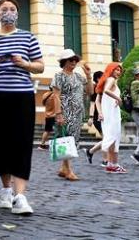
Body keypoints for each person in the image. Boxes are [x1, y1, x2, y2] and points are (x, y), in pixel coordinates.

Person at [0, 0, 44, 215]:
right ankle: (6, 190)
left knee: (21, 144)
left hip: (22, 97)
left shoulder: (28, 37)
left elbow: (40, 66)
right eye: (4, 9)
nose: (8, 12)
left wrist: (25, 64)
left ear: (17, 14)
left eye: (13, 9)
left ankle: (20, 196)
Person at [51, 49, 93, 181]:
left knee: (72, 141)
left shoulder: (79, 77)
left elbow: (90, 91)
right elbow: (56, 96)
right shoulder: (59, 76)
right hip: (65, 111)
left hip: (77, 113)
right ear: (64, 62)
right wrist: (58, 114)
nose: (74, 62)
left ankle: (64, 168)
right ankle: (68, 170)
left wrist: (89, 76)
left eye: (75, 60)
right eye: (71, 60)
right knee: (67, 139)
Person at [96, 63, 126, 174]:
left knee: (113, 139)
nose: (118, 72)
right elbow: (107, 91)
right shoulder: (111, 79)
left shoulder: (109, 80)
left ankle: (111, 164)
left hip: (111, 113)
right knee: (114, 137)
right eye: (116, 69)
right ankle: (114, 164)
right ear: (111, 70)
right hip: (112, 114)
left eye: (119, 70)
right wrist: (119, 98)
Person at [86, 71, 108, 166]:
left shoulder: (105, 88)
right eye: (103, 76)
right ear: (98, 78)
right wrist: (90, 117)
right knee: (107, 139)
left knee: (107, 139)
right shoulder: (96, 88)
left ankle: (90, 151)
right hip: (97, 117)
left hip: (106, 116)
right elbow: (92, 104)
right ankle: (105, 160)